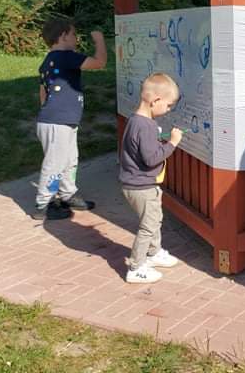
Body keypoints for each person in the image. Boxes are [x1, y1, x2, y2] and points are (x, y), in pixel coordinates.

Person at [34, 18, 106, 220]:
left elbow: (43, 91)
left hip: (60, 120)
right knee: (55, 163)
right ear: (63, 36)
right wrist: (99, 40)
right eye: (73, 34)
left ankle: (68, 194)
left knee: (69, 159)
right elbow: (99, 63)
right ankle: (44, 204)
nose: (76, 38)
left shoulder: (48, 60)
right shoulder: (66, 57)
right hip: (57, 122)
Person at [118, 73, 184, 284]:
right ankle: (136, 267)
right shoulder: (146, 126)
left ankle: (154, 253)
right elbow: (151, 158)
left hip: (137, 184)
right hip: (142, 186)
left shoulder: (136, 120)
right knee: (148, 226)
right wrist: (172, 143)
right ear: (155, 100)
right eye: (168, 105)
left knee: (154, 219)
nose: (168, 109)